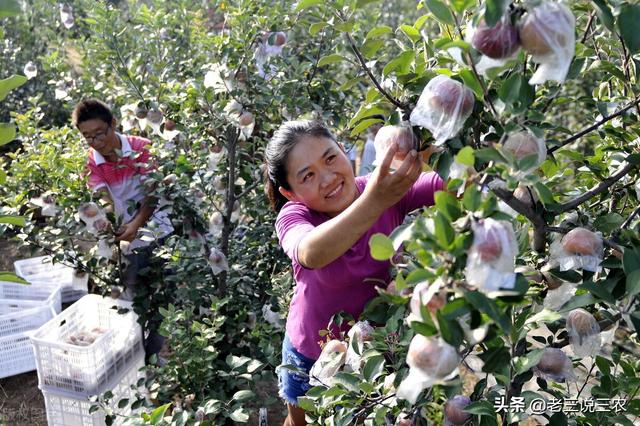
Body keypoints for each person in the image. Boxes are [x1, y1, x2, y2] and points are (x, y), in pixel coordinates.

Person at [264, 120, 444, 426]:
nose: (328, 178)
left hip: (376, 348)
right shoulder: (296, 215)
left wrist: (433, 149)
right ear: (290, 192)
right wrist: (376, 200)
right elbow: (311, 252)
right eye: (307, 176)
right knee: (302, 422)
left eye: (331, 158)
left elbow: (453, 184)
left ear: (343, 151)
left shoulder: (380, 189)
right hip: (312, 351)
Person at [72, 98, 173, 363]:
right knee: (135, 295)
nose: (95, 141)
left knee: (163, 293)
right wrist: (109, 222)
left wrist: (136, 224)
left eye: (99, 133)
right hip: (126, 236)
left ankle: (156, 354)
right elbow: (102, 196)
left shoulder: (140, 148)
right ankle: (138, 357)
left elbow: (152, 194)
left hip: (156, 228)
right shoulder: (91, 162)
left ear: (113, 124)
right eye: (87, 137)